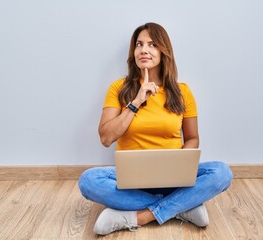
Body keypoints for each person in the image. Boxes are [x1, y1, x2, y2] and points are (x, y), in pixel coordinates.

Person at [78, 22, 233, 235]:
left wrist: (181, 167)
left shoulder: (182, 92)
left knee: (221, 172)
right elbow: (106, 137)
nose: (144, 50)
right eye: (139, 44)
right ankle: (182, 207)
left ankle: (138, 216)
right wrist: (136, 101)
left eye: (152, 44)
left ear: (163, 51)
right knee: (88, 181)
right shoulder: (119, 88)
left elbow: (192, 138)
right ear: (133, 53)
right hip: (130, 180)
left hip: (173, 178)